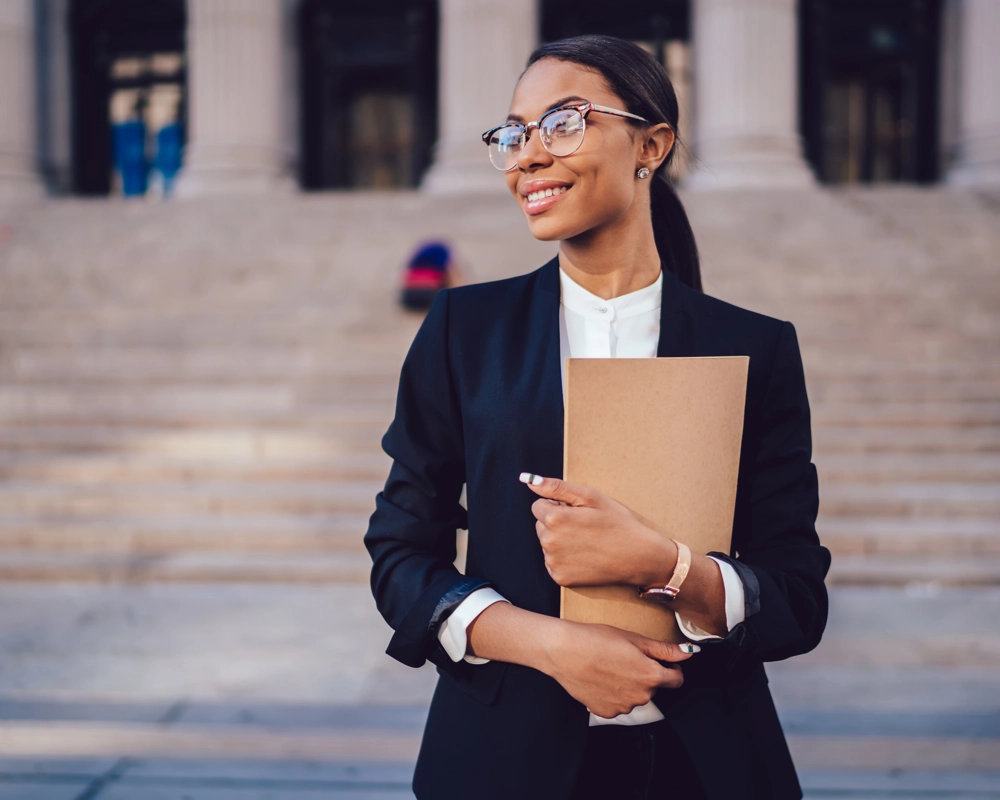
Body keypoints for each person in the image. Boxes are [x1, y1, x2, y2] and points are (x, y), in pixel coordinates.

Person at [365, 34, 831, 800]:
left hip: (707, 767)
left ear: (651, 144)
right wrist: (553, 646)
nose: (527, 156)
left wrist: (665, 567)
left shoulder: (754, 347)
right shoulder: (462, 331)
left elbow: (797, 599)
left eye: (563, 123)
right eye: (513, 134)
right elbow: (400, 555)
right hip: (499, 765)